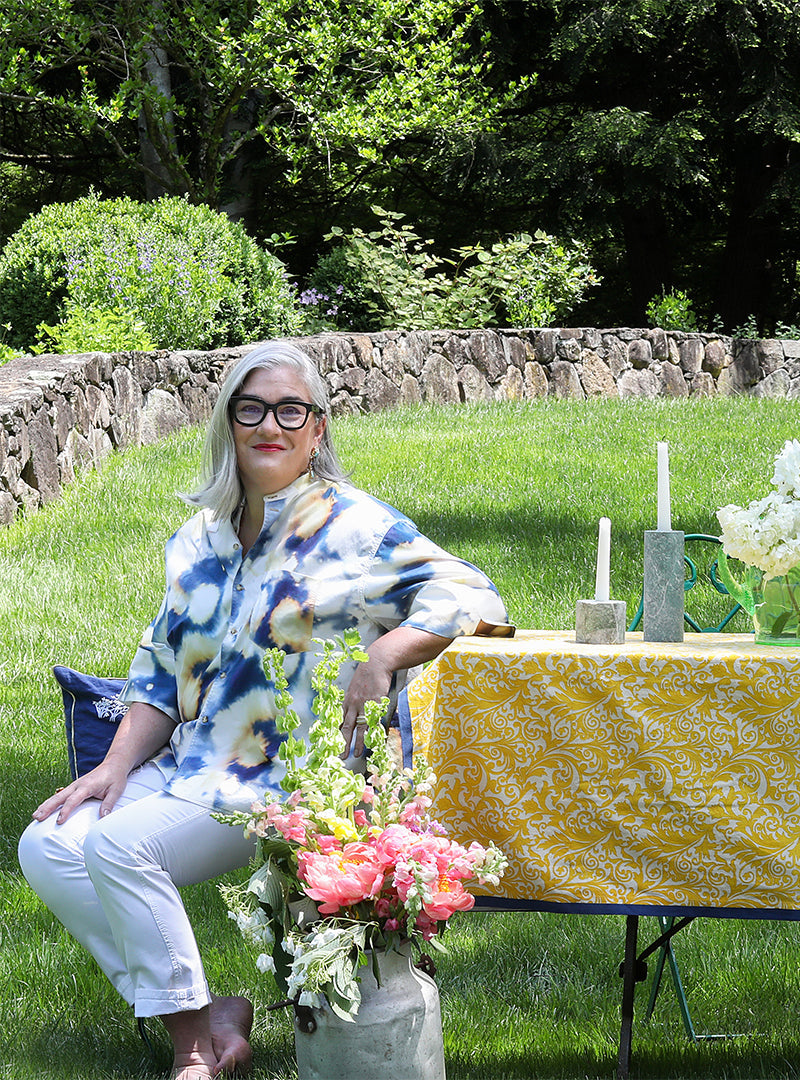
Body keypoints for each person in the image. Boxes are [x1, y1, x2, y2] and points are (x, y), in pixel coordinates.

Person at [18, 341, 508, 1079]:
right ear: (228, 424)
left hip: (279, 786)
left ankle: (191, 1050)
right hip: (189, 765)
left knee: (119, 849)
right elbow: (161, 675)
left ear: (318, 428)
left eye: (290, 410)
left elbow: (473, 595)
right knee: (49, 844)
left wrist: (383, 657)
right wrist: (114, 768)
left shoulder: (358, 528)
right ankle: (207, 1013)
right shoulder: (198, 540)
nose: (269, 425)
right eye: (252, 409)